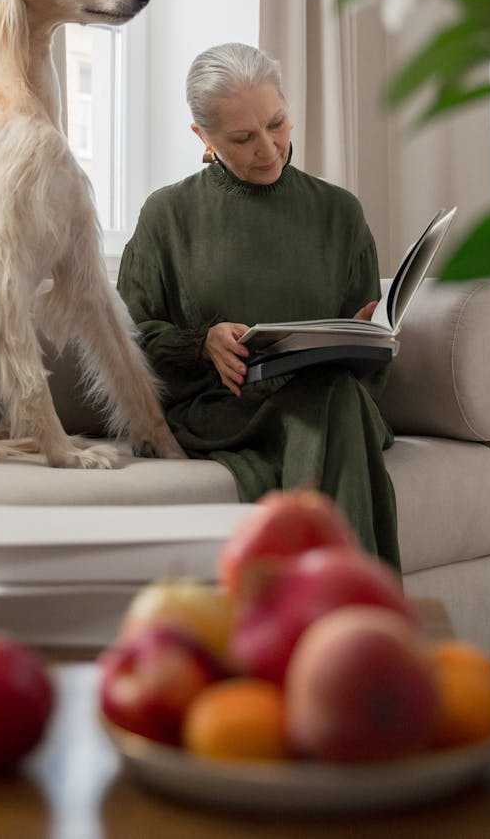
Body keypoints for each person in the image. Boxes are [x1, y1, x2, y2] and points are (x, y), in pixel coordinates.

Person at [117, 43, 400, 570]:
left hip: (328, 399)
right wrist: (201, 343)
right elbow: (126, 337)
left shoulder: (339, 212)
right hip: (220, 412)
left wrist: (365, 339)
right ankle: (355, 612)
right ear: (203, 138)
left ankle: (321, 613)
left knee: (335, 397)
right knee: (334, 408)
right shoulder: (168, 215)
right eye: (243, 138)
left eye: (277, 123)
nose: (268, 148)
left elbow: (367, 368)